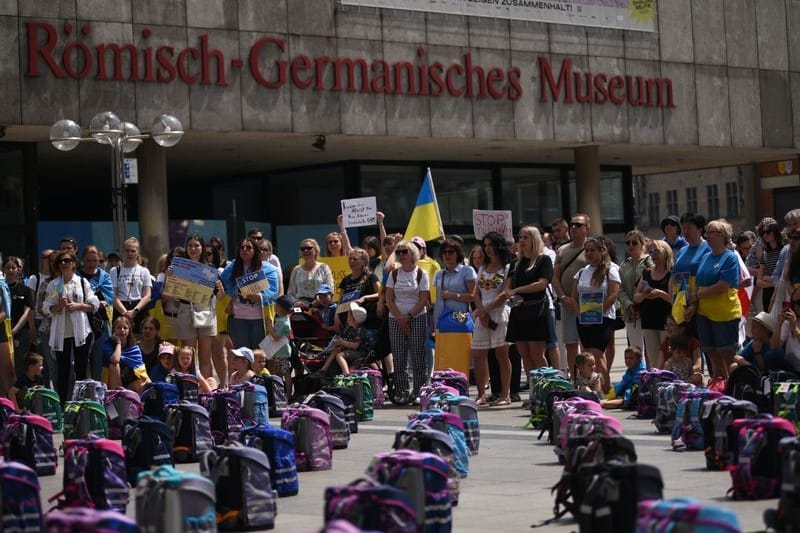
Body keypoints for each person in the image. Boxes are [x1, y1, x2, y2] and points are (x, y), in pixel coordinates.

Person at [43, 249, 100, 403]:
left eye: (67, 260)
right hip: (62, 334)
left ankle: (81, 404)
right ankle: (63, 405)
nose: (63, 264)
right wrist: (59, 306)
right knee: (63, 371)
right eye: (61, 261)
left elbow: (94, 304)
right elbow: (46, 309)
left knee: (81, 369)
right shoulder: (55, 285)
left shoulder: (81, 282)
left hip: (81, 332)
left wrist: (78, 306)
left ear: (74, 264)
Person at [687, 219, 741, 379]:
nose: (707, 235)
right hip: (704, 313)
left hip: (724, 314)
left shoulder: (730, 258)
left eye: (711, 232)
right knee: (710, 352)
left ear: (723, 235)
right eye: (707, 232)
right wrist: (693, 305)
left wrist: (698, 295)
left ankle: (732, 385)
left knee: (727, 354)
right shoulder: (705, 257)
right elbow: (697, 282)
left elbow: (723, 286)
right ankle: (719, 385)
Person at [170, 234, 224, 387]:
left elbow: (220, 297)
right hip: (186, 311)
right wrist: (170, 278)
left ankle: (207, 393)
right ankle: (191, 388)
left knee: (206, 358)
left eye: (196, 245)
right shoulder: (179, 268)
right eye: (190, 246)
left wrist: (219, 286)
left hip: (205, 311)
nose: (193, 249)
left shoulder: (210, 269)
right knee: (189, 356)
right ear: (186, 248)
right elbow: (169, 295)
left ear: (202, 248)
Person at [570, 235, 620, 392]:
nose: (589, 253)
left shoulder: (611, 269)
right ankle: (593, 388)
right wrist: (580, 315)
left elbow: (613, 296)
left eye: (593, 250)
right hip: (583, 320)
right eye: (586, 250)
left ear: (602, 251)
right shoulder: (581, 272)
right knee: (588, 357)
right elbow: (573, 297)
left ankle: (606, 390)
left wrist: (595, 313)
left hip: (604, 319)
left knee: (597, 355)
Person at [385, 240, 430, 404]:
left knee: (418, 355)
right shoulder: (394, 274)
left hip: (416, 317)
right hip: (395, 318)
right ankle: (402, 390)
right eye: (398, 252)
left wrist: (408, 317)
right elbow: (389, 299)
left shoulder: (421, 273)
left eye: (404, 252)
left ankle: (419, 391)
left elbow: (423, 299)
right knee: (399, 356)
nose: (401, 255)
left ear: (412, 254)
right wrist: (399, 318)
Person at [471, 232, 512, 407]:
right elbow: (476, 292)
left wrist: (485, 311)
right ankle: (482, 394)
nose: (488, 249)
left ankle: (505, 394)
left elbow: (504, 293)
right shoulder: (482, 267)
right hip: (482, 313)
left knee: (501, 355)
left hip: (499, 313)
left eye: (491, 245)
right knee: (479, 354)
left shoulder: (507, 268)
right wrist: (481, 311)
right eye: (485, 245)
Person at [505, 226, 552, 374]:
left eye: (526, 237)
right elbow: (507, 287)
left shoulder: (543, 260)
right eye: (520, 237)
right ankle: (534, 389)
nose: (522, 240)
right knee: (524, 354)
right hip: (518, 312)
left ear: (535, 239)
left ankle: (546, 386)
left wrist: (517, 290)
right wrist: (510, 294)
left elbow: (542, 284)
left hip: (535, 311)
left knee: (537, 354)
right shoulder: (516, 263)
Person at [220, 237, 280, 350]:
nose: (244, 250)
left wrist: (259, 297)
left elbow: (273, 294)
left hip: (260, 319)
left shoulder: (269, 269)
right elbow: (222, 284)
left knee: (258, 356)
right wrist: (232, 294)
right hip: (237, 319)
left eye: (248, 247)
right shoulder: (232, 267)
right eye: (242, 247)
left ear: (255, 250)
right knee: (242, 356)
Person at [432, 238, 476, 376]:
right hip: (442, 321)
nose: (447, 255)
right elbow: (437, 300)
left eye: (451, 252)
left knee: (460, 358)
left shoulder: (467, 271)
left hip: (460, 321)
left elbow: (473, 296)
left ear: (458, 254)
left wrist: (452, 295)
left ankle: (462, 385)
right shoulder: (439, 274)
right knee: (444, 358)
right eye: (444, 252)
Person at [553, 213, 590, 375]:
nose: (574, 227)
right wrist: (563, 297)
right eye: (572, 225)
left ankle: (588, 377)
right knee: (570, 343)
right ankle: (575, 378)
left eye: (578, 225)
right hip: (567, 303)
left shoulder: (593, 247)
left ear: (587, 228)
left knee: (587, 344)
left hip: (588, 303)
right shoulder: (562, 250)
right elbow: (555, 277)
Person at [635, 240, 674, 368]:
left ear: (666, 252)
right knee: (653, 359)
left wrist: (660, 294)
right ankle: (656, 385)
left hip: (666, 321)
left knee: (667, 358)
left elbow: (674, 300)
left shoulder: (671, 274)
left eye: (656, 251)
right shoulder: (646, 273)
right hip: (648, 320)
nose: (653, 254)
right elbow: (636, 297)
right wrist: (645, 295)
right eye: (651, 252)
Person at [78, 245, 114, 381]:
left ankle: (97, 392)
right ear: (83, 260)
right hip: (82, 322)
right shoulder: (76, 276)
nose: (92, 264)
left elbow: (110, 297)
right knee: (82, 360)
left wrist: (97, 301)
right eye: (88, 261)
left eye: (95, 260)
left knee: (97, 360)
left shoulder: (104, 276)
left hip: (99, 324)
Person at [618, 230, 652, 357]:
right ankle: (639, 376)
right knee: (636, 351)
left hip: (647, 311)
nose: (630, 246)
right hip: (630, 313)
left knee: (651, 349)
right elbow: (619, 290)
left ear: (642, 244)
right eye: (627, 243)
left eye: (634, 242)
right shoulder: (624, 265)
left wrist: (640, 304)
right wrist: (629, 305)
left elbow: (652, 283)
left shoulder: (649, 262)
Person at [110, 237, 152, 334]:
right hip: (120, 308)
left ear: (138, 253)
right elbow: (113, 295)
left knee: (140, 341)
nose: (130, 254)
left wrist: (134, 311)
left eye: (133, 251)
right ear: (123, 252)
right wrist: (125, 313)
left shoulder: (144, 271)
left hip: (139, 308)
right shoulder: (114, 271)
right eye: (127, 251)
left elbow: (147, 296)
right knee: (121, 339)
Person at [3, 257, 34, 379]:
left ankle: (19, 395)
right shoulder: (1, 288)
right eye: (7, 268)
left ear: (18, 270)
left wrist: (15, 330)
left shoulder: (25, 290)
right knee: (5, 366)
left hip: (21, 333)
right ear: (3, 270)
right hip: (3, 333)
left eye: (13, 268)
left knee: (20, 365)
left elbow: (27, 313)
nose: (10, 270)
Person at [336, 247, 381, 331]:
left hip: (366, 321)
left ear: (363, 262)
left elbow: (380, 293)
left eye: (355, 259)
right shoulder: (345, 280)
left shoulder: (371, 277)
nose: (351, 261)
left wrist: (364, 298)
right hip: (347, 321)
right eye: (350, 259)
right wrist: (337, 316)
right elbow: (340, 301)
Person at [318, 303, 369, 376]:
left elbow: (356, 346)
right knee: (336, 350)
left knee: (340, 355)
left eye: (348, 315)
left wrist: (343, 342)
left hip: (360, 352)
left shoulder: (359, 330)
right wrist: (341, 342)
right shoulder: (350, 329)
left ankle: (346, 375)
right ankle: (323, 370)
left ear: (353, 319)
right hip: (351, 350)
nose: (347, 317)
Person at [103, 316, 150, 393]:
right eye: (118, 328)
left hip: (129, 381)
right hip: (112, 381)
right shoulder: (108, 344)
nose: (122, 330)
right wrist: (118, 343)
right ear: (114, 330)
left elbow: (140, 369)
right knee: (114, 366)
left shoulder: (134, 348)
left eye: (125, 328)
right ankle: (117, 396)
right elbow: (115, 360)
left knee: (145, 384)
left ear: (129, 331)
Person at [671, 213, 710, 298]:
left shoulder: (709, 249)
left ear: (700, 229)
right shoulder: (681, 251)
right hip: (680, 300)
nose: (685, 232)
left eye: (689, 228)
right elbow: (674, 277)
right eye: (684, 228)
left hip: (698, 299)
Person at [262, 295, 293, 395]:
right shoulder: (282, 319)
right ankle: (280, 393)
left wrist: (269, 326)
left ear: (280, 307)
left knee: (285, 373)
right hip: (279, 352)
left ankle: (288, 394)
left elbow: (276, 337)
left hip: (282, 352)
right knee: (279, 373)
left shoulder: (284, 322)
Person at [287, 238, 334, 306]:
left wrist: (320, 300)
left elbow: (330, 287)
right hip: (301, 306)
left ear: (316, 251)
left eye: (309, 248)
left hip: (321, 304)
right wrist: (295, 302)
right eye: (303, 249)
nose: (306, 250)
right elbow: (290, 293)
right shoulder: (296, 270)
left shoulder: (323, 267)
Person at [772, 287, 800, 373]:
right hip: (791, 366)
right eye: (793, 303)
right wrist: (779, 324)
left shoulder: (793, 322)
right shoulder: (789, 320)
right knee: (771, 356)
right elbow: (775, 347)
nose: (796, 306)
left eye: (799, 302)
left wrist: (795, 330)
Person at [756, 221, 783, 312]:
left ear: (775, 232)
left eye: (768, 232)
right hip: (768, 293)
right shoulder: (765, 253)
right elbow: (759, 281)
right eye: (763, 232)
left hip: (782, 293)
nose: (765, 235)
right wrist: (775, 283)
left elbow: (784, 276)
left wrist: (768, 278)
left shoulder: (785, 251)